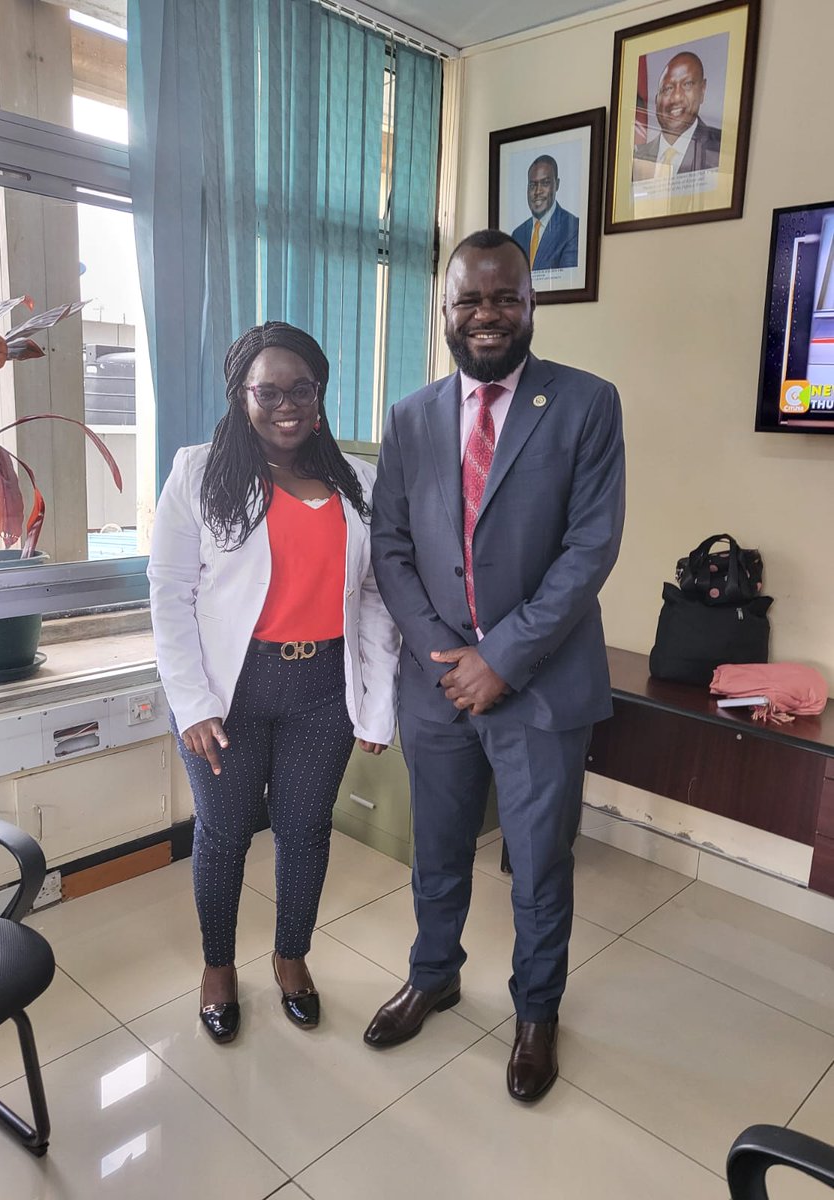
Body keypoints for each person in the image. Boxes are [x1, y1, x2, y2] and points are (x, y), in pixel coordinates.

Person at [364, 230, 625, 1102]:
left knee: (540, 863)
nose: (486, 315)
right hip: (437, 685)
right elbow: (390, 545)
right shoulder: (409, 416)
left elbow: (590, 549)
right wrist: (447, 653)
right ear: (444, 310)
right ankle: (434, 973)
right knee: (436, 850)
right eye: (468, 300)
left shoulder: (587, 405)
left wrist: (502, 659)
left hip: (542, 687)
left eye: (504, 298)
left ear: (531, 304)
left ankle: (536, 1011)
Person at [148, 321, 399, 1044]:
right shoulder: (198, 472)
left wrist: (376, 705)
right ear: (241, 395)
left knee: (305, 832)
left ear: (319, 397)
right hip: (230, 695)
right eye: (268, 390)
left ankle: (292, 958)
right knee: (225, 835)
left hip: (324, 690)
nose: (285, 403)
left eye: (302, 389)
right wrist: (191, 703)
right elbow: (169, 595)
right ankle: (219, 969)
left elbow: (378, 598)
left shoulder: (358, 482)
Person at [633, 51, 722, 177]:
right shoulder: (637, 158)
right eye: (668, 88)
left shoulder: (721, 149)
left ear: (702, 90)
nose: (676, 97)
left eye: (687, 84)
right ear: (657, 99)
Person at [510, 155, 579, 270]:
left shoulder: (572, 228)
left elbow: (566, 279)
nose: (537, 191)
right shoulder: (517, 234)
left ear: (557, 184)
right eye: (532, 185)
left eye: (545, 183)